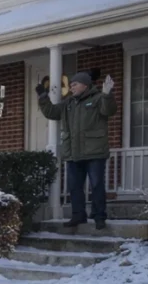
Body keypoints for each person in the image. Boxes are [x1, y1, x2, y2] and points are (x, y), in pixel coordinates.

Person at [36, 70, 117, 230]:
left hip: (94, 152)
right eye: (71, 85)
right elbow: (52, 112)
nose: (71, 87)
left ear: (85, 85)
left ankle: (99, 216)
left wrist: (107, 95)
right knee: (74, 186)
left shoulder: (97, 98)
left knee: (96, 185)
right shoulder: (69, 103)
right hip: (73, 153)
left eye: (74, 84)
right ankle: (78, 215)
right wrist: (43, 97)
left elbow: (109, 111)